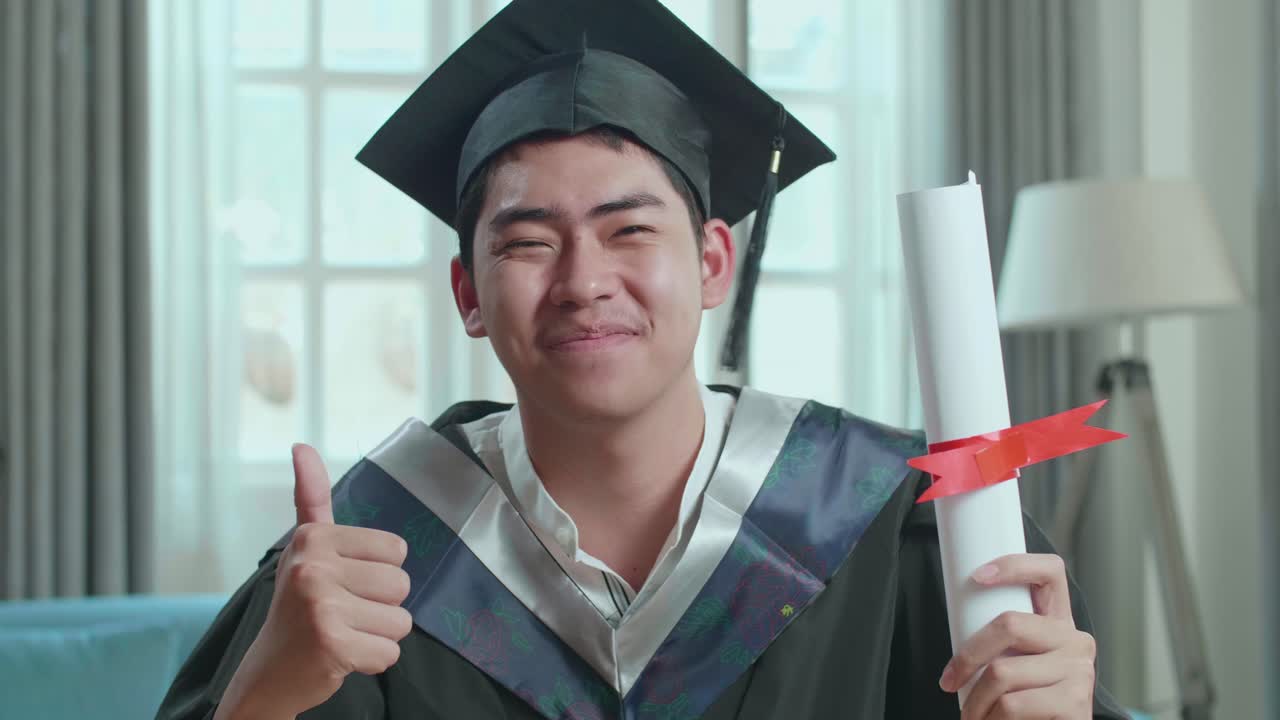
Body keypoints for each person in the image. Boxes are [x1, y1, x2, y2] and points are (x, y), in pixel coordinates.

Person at [157, 0, 1130, 718]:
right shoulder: (369, 558)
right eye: (528, 240)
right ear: (466, 294)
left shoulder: (901, 526)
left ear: (712, 262)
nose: (583, 279)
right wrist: (260, 700)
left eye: (627, 230)